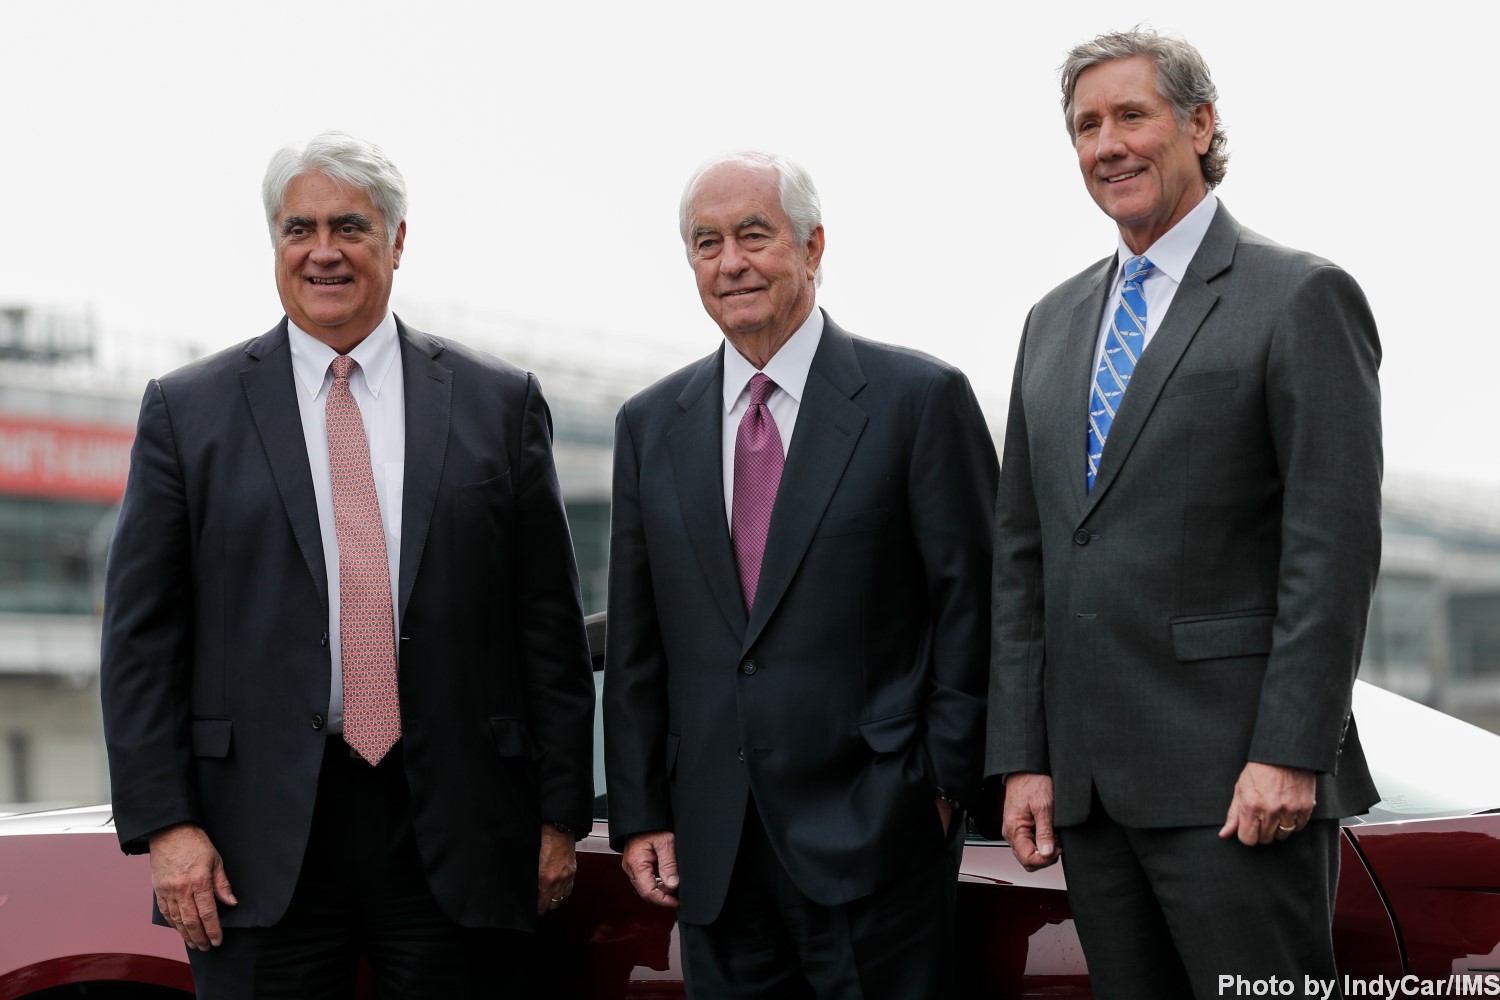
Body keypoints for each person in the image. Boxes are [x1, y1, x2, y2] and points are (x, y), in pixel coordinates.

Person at [100, 130, 595, 998]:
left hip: (462, 825)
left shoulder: (499, 403)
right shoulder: (188, 412)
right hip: (252, 839)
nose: (323, 251)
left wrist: (558, 814)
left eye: (350, 228)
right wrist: (166, 826)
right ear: (276, 245)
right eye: (300, 229)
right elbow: (141, 639)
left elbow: (546, 625)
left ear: (397, 241)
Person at [986, 29, 1382, 1000]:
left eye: (1132, 115)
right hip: (1089, 795)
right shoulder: (1050, 322)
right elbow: (1024, 559)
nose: (1107, 144)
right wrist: (1024, 759)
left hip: (1240, 787)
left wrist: (1290, 751)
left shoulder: (1299, 298)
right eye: (1086, 126)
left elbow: (1329, 552)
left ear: (1200, 126)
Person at [603, 150, 998, 997]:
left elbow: (976, 606)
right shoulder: (649, 427)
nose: (731, 261)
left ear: (814, 247)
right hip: (713, 851)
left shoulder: (918, 400)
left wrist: (940, 785)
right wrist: (640, 813)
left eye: (754, 234)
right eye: (706, 244)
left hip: (878, 838)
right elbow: (638, 645)